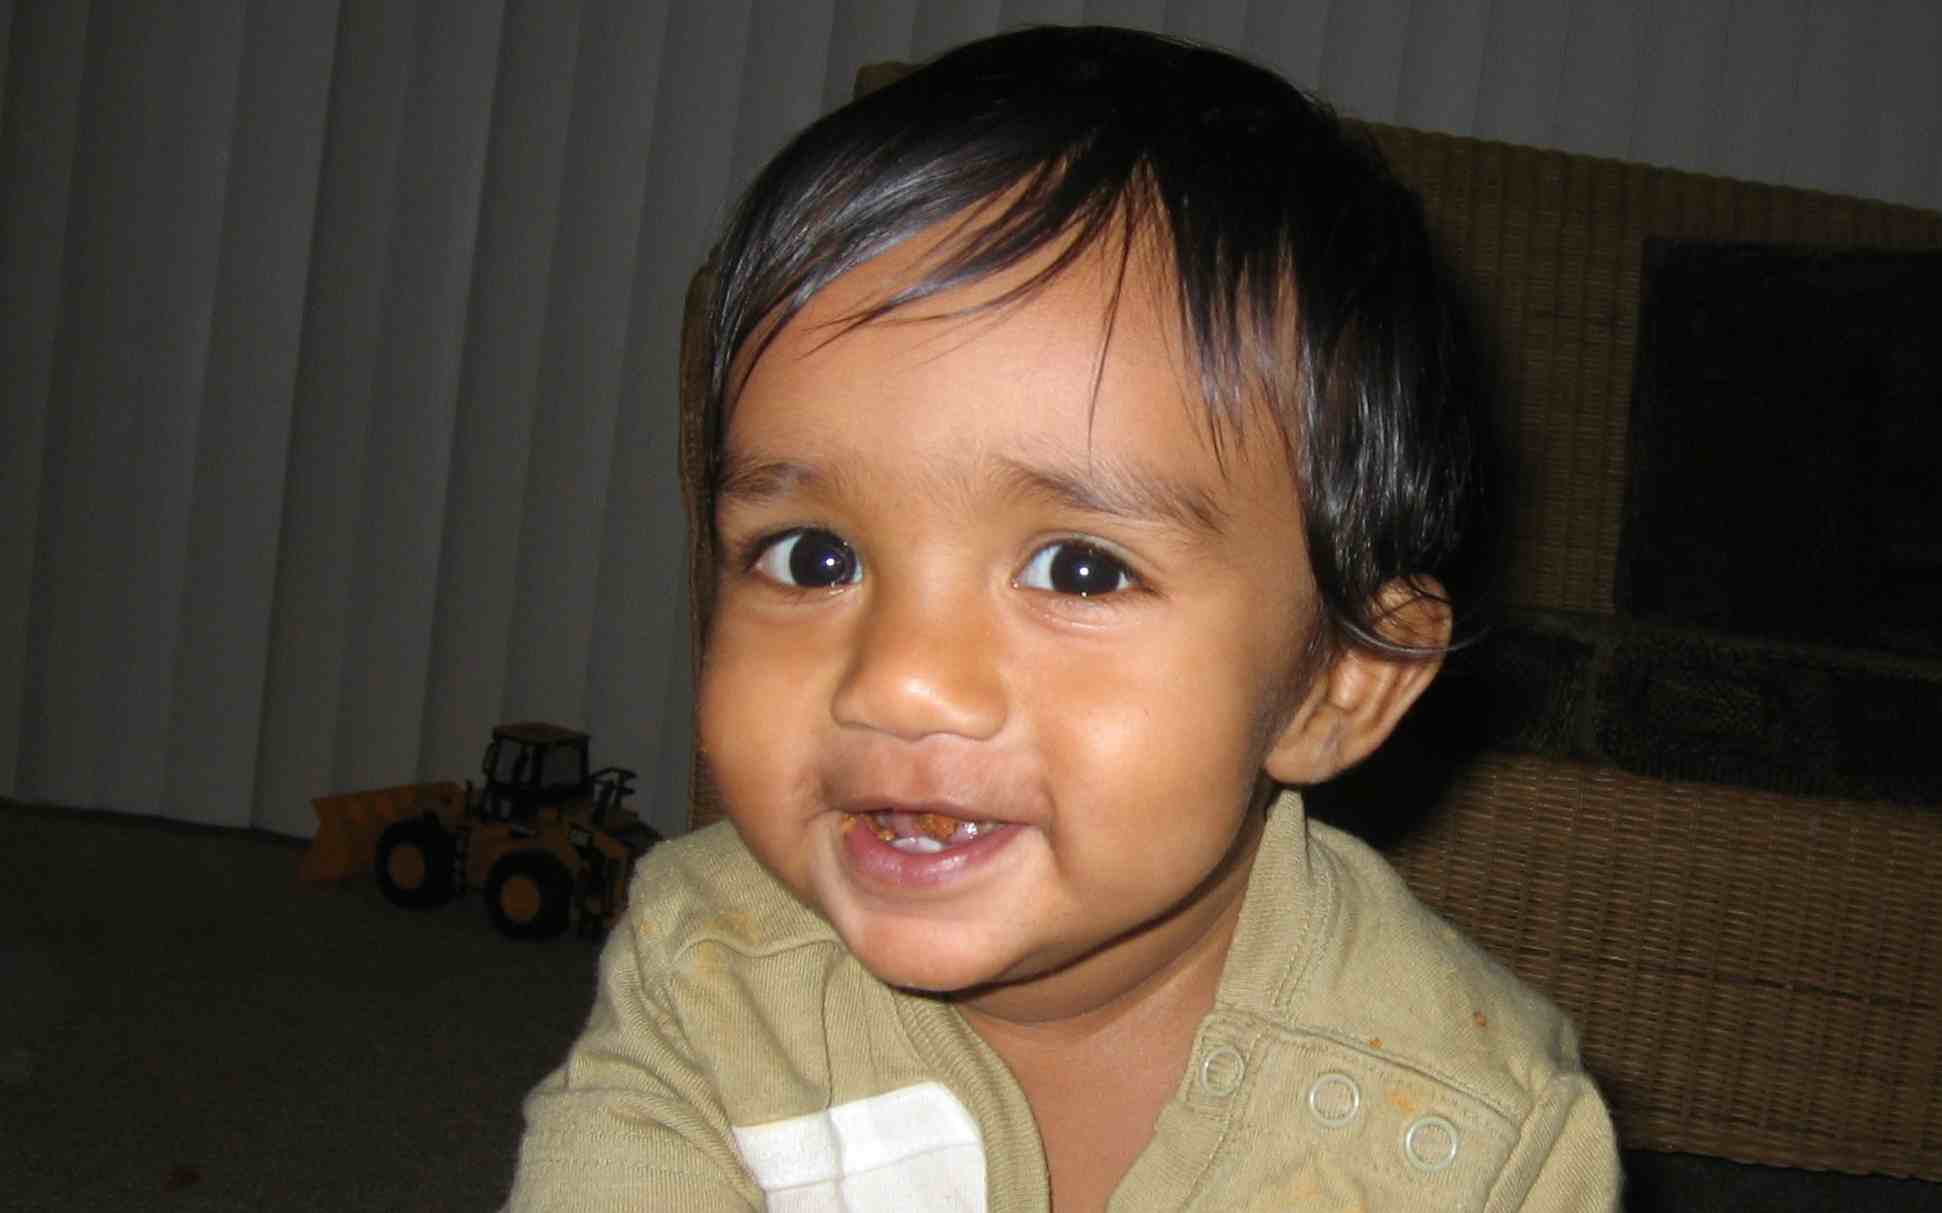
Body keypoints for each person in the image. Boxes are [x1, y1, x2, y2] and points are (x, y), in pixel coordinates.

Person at [506, 24, 1620, 1212]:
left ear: (1334, 681)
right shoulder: (709, 968)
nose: (899, 681)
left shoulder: (1475, 1137)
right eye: (811, 555)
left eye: (1078, 570)